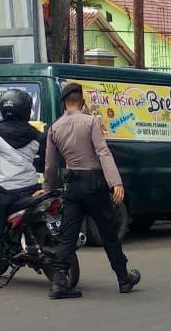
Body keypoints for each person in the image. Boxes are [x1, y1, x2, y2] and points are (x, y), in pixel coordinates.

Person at [43, 82, 141, 299]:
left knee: (68, 235)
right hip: (94, 183)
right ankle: (124, 278)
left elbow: (50, 165)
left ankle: (59, 282)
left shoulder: (55, 127)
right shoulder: (91, 122)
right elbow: (103, 152)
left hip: (73, 186)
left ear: (63, 103)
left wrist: (47, 188)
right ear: (82, 101)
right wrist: (115, 182)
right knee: (108, 232)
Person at [0, 89, 46, 289]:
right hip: (32, 189)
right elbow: (46, 160)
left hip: (5, 192)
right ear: (27, 110)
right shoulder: (37, 134)